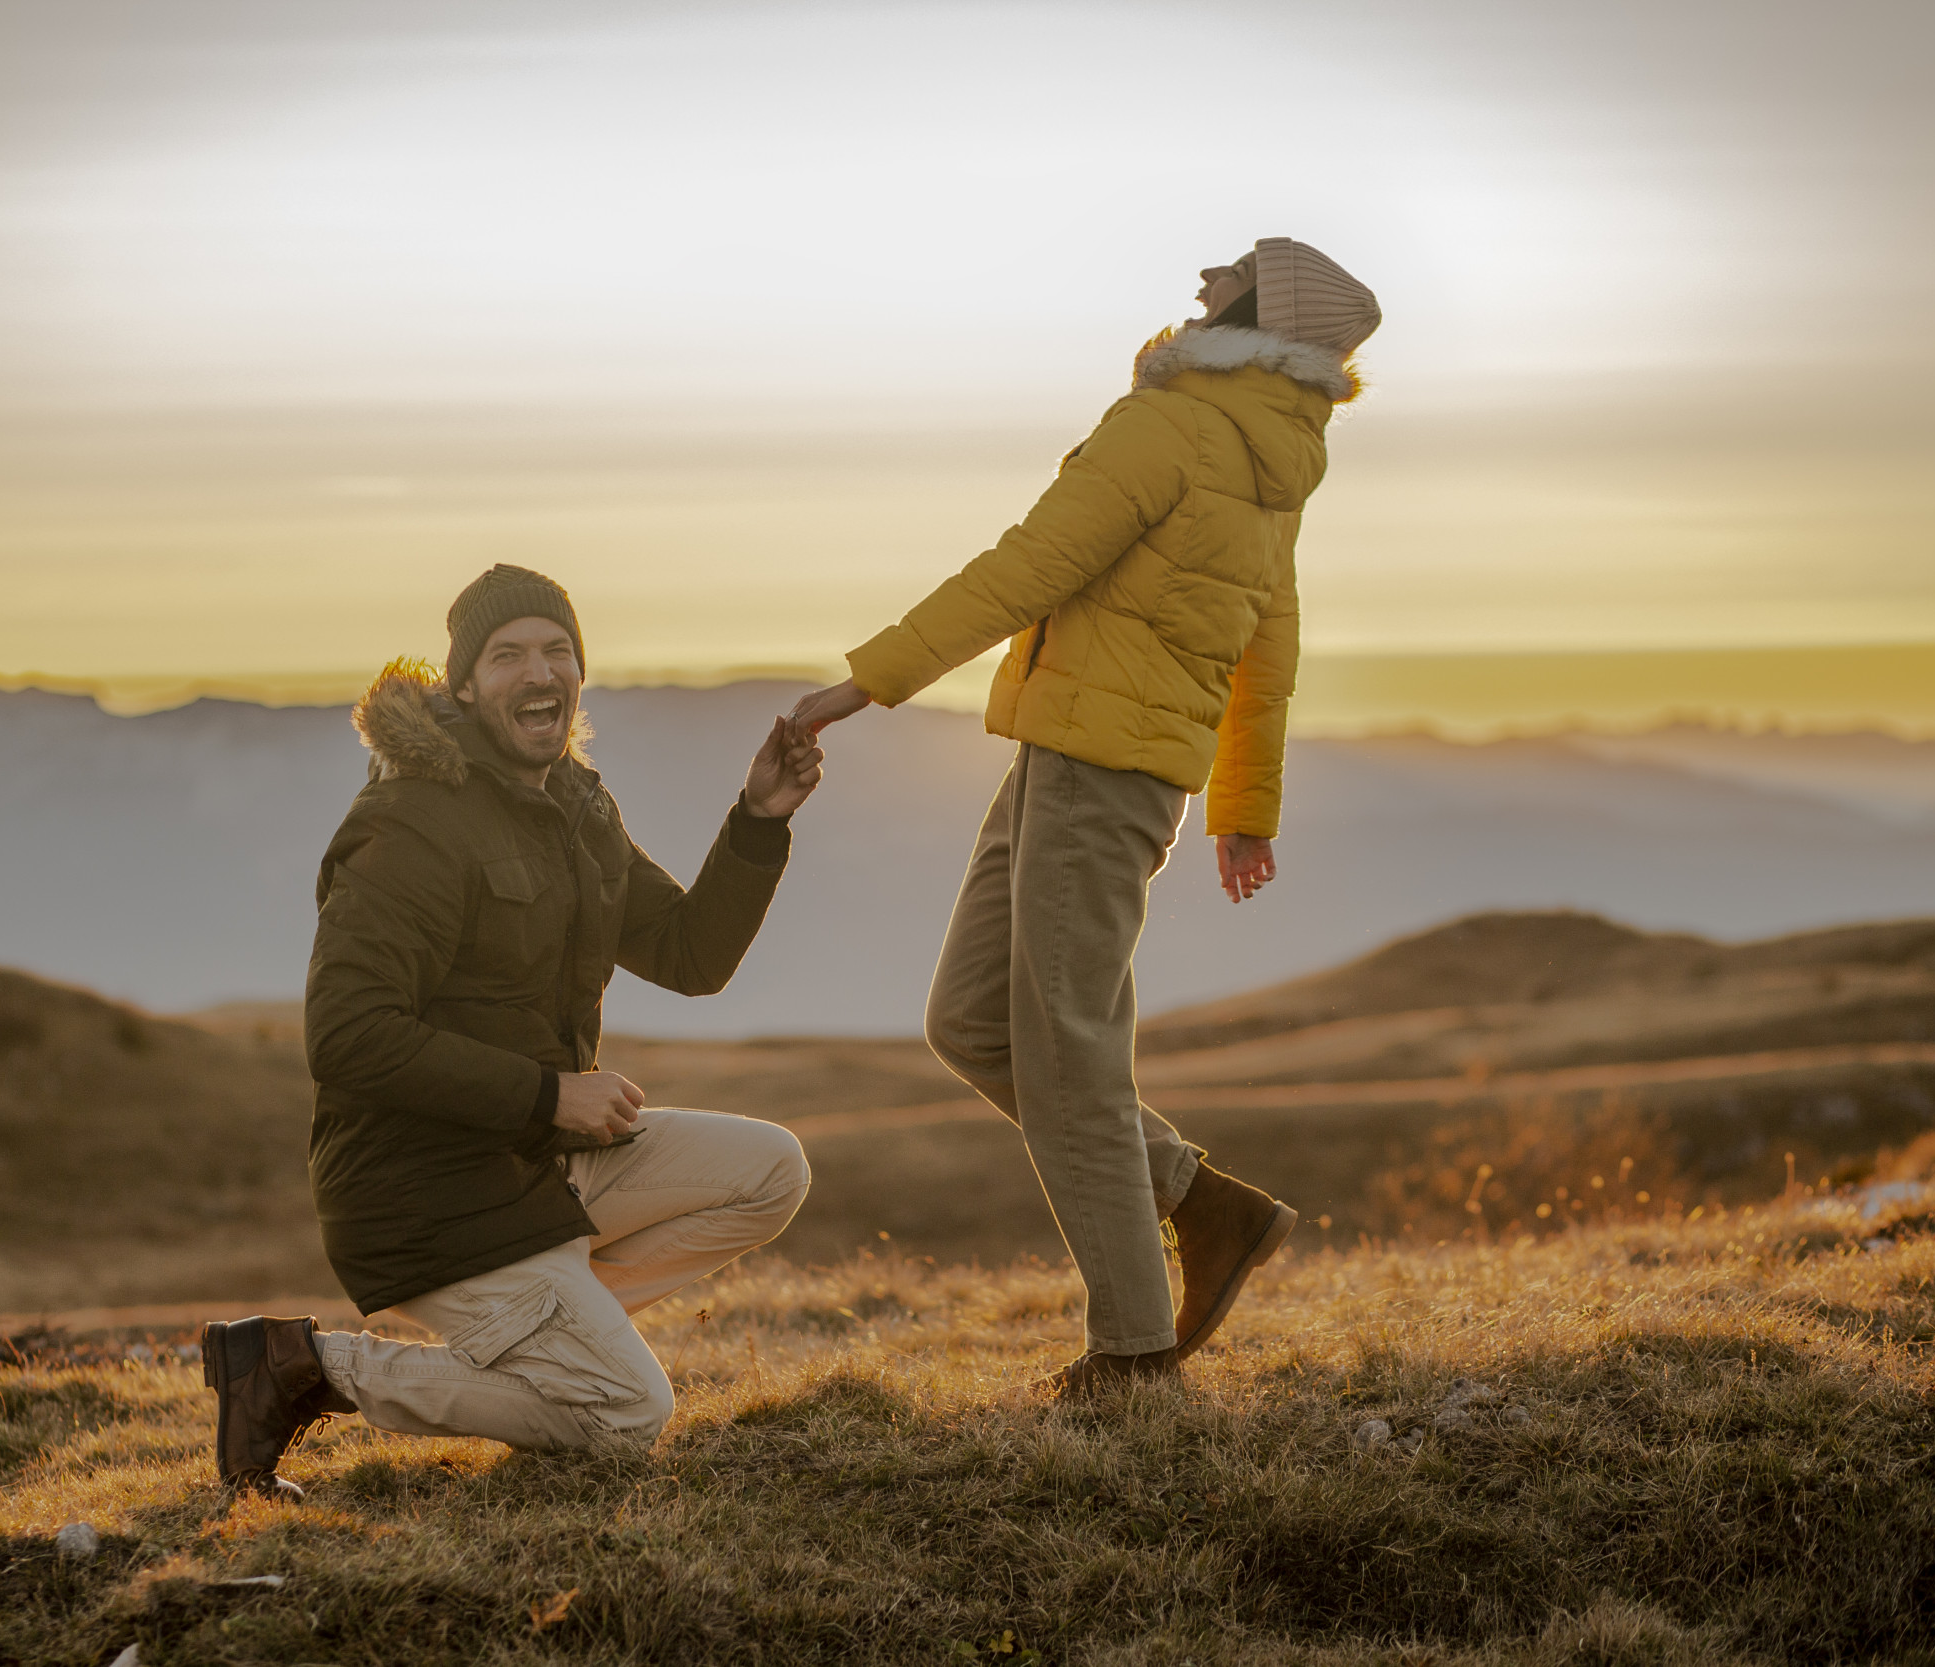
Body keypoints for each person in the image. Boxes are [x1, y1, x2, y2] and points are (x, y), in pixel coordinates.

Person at [788, 238, 1381, 1398]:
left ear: (1263, 307)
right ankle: (1200, 1202)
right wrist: (1240, 805)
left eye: (1232, 272)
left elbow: (1029, 565)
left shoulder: (1175, 425)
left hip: (1095, 770)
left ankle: (1134, 1355)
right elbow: (1272, 640)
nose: (1205, 278)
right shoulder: (1272, 449)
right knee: (969, 1021)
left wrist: (865, 683)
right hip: (1082, 764)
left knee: (1068, 1056)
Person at [204, 564, 823, 1495]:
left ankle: (555, 1331)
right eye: (507, 655)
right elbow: (347, 1034)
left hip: (534, 1164)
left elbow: (690, 957)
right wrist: (551, 1094)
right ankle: (301, 1366)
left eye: (557, 649)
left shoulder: (574, 803)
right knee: (625, 1414)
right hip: (425, 1193)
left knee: (772, 1169)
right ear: (463, 684)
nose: (539, 672)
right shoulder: (410, 821)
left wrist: (758, 820)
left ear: (579, 672)